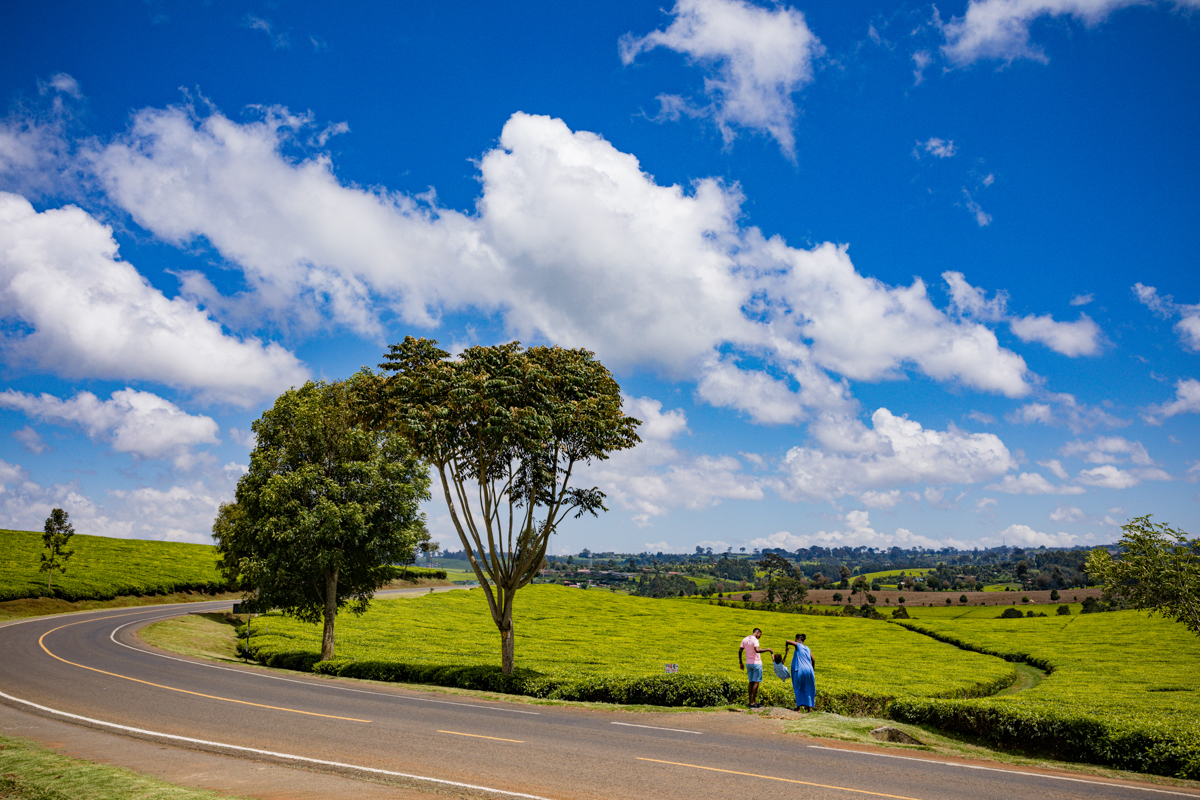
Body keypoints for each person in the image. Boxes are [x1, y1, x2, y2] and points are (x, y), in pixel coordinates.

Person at [738, 627, 773, 708]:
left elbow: (740, 651)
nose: (759, 637)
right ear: (757, 633)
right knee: (756, 682)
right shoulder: (755, 640)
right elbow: (757, 650)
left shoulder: (745, 639)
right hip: (756, 663)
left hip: (748, 663)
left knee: (750, 682)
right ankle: (753, 703)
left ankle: (750, 702)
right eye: (759, 635)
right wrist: (768, 650)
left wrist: (740, 662)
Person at [783, 633, 815, 712]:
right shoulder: (807, 648)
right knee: (808, 688)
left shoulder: (798, 645)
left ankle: (798, 709)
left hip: (800, 669)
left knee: (798, 687)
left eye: (795, 639)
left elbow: (787, 641)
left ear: (798, 639)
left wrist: (786, 647)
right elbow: (813, 660)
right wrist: (812, 669)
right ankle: (809, 709)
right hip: (809, 670)